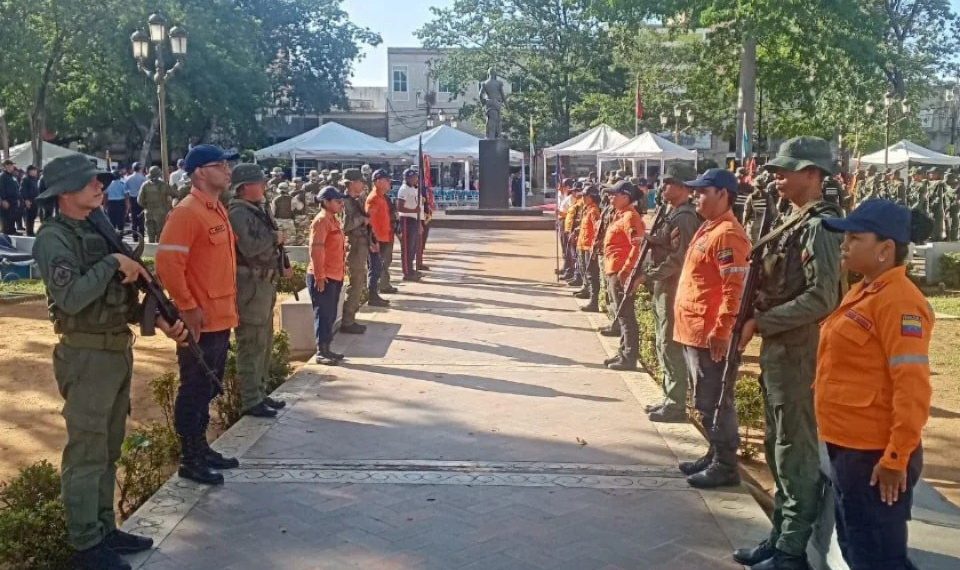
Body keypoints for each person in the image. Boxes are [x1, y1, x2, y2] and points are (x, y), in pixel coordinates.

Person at [32, 154, 188, 570]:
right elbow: (71, 297)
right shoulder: (53, 237)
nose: (100, 186)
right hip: (85, 355)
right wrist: (113, 264)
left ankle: (103, 527)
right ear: (65, 193)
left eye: (99, 181)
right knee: (87, 450)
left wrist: (158, 318)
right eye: (90, 183)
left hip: (115, 349)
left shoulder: (98, 228)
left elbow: (116, 299)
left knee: (108, 447)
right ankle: (85, 545)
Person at [732, 137, 845, 570]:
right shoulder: (790, 220)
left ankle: (791, 549)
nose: (778, 176)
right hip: (781, 351)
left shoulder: (820, 227)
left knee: (794, 448)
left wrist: (763, 322)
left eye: (788, 169)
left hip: (799, 352)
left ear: (814, 175)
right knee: (775, 443)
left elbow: (823, 297)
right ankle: (780, 535)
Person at [816, 200, 933, 570]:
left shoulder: (900, 303)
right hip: (848, 446)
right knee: (857, 545)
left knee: (879, 557)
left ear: (885, 250)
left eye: (855, 237)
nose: (845, 245)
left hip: (874, 455)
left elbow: (912, 387)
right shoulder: (865, 290)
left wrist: (896, 458)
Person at [156, 144, 241, 486]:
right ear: (200, 172)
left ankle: (201, 447)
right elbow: (167, 264)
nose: (228, 170)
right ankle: (190, 458)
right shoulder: (187, 212)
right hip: (200, 320)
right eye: (220, 165)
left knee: (208, 387)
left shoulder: (215, 209)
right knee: (194, 388)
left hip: (220, 317)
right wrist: (188, 307)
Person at [673, 168, 751, 488]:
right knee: (704, 399)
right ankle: (714, 452)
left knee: (715, 400)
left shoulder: (728, 234)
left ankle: (726, 465)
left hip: (710, 334)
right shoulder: (709, 227)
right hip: (694, 328)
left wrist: (722, 330)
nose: (697, 197)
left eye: (704, 192)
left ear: (723, 194)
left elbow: (735, 288)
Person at [228, 163, 290, 419]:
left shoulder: (257, 209)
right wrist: (274, 238)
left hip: (264, 283)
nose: (265, 185)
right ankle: (251, 399)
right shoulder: (238, 213)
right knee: (251, 342)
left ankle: (260, 392)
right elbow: (250, 248)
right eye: (259, 182)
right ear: (244, 188)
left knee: (264, 341)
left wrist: (282, 262)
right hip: (250, 286)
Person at [642, 163, 701, 423]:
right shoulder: (671, 212)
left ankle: (676, 403)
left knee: (669, 343)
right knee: (661, 340)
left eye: (668, 184)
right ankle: (669, 396)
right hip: (664, 284)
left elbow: (679, 258)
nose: (662, 187)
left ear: (681, 187)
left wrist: (649, 275)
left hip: (672, 285)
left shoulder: (685, 217)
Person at [601, 180, 646, 371]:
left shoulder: (630, 218)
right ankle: (623, 352)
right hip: (614, 269)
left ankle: (629, 357)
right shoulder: (620, 215)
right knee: (621, 315)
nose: (610, 197)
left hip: (621, 272)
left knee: (626, 316)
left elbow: (638, 246)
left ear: (626, 196)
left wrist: (626, 270)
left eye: (614, 194)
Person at [308, 186, 347, 365]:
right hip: (324, 275)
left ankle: (327, 348)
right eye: (337, 201)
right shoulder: (322, 220)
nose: (341, 204)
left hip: (335, 273)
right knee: (323, 314)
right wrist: (319, 275)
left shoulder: (334, 219)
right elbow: (316, 249)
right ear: (325, 202)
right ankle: (321, 351)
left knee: (330, 314)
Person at [341, 168, 372, 334]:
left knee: (360, 282)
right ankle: (347, 320)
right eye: (360, 181)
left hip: (362, 244)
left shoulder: (357, 200)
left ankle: (351, 317)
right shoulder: (344, 202)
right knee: (356, 282)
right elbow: (344, 226)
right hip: (353, 246)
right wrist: (363, 219)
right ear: (352, 183)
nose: (363, 185)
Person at [366, 169, 394, 307]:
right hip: (376, 240)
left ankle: (374, 294)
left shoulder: (382, 197)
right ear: (377, 181)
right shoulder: (374, 198)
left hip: (383, 238)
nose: (389, 182)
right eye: (386, 180)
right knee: (375, 268)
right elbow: (369, 222)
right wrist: (373, 241)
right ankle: (372, 296)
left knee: (378, 268)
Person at [573, 185, 602, 312]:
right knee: (584, 270)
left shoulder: (594, 211)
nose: (583, 198)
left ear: (592, 197)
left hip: (589, 247)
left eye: (585, 196)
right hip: (582, 244)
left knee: (592, 274)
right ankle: (587, 291)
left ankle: (594, 300)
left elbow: (597, 229)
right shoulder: (587, 209)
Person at [137, 166, 177, 243]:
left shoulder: (145, 185)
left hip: (148, 213)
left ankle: (151, 252)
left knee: (150, 234)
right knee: (160, 235)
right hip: (161, 213)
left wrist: (147, 206)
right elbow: (175, 194)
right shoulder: (163, 185)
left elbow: (139, 200)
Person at [397, 168, 423, 281]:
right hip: (406, 219)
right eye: (412, 177)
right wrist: (413, 211)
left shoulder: (415, 189)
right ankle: (407, 272)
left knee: (412, 247)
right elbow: (400, 207)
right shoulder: (404, 189)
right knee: (407, 248)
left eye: (416, 177)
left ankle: (411, 269)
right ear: (406, 178)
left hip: (414, 219)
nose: (415, 179)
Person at [124, 163, 147, 238]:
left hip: (132, 199)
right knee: (141, 217)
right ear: (140, 168)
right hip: (141, 198)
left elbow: (125, 190)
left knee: (134, 218)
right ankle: (142, 235)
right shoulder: (144, 178)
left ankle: (134, 236)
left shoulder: (128, 178)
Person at [0, 159, 21, 234]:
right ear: (6, 167)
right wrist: (3, 200)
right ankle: (6, 235)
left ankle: (12, 232)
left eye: (12, 165)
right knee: (6, 221)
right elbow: (1, 189)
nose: (12, 167)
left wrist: (18, 199)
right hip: (7, 202)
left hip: (14, 202)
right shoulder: (2, 176)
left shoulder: (12, 176)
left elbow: (16, 188)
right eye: (10, 165)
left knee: (12, 219)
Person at [18, 165, 40, 236]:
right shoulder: (26, 179)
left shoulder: (34, 179)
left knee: (33, 217)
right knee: (29, 217)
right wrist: (26, 200)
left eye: (35, 170)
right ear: (29, 171)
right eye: (34, 170)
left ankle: (31, 231)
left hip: (34, 201)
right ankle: (29, 232)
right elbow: (22, 191)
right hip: (29, 201)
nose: (35, 172)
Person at [927, 167, 947, 242]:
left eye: (933, 173)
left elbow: (939, 196)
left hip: (937, 206)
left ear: (937, 174)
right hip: (930, 205)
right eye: (930, 173)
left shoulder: (940, 183)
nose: (931, 174)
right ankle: (932, 236)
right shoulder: (930, 183)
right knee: (932, 222)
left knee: (937, 223)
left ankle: (937, 238)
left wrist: (933, 204)